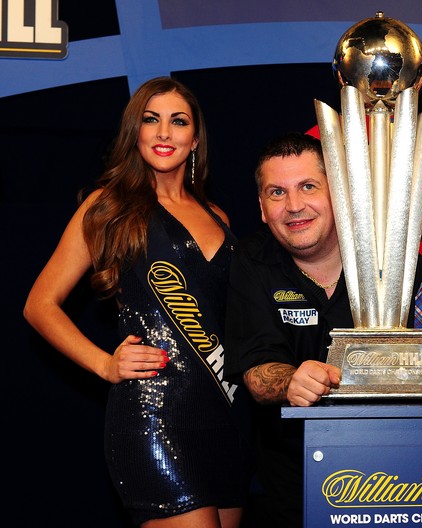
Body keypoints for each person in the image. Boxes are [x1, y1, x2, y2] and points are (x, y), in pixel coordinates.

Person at [223, 132, 422, 528]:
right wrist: (291, 381)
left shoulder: (394, 260)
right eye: (277, 192)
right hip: (291, 489)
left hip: (398, 485)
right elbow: (256, 373)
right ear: (262, 208)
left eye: (308, 187)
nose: (294, 206)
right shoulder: (252, 261)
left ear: (339, 194)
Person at [23, 77, 253, 528]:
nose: (164, 132)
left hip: (227, 416)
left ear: (195, 139)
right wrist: (104, 363)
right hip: (153, 416)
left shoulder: (219, 217)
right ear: (136, 132)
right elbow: (40, 304)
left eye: (178, 121)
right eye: (152, 120)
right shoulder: (108, 206)